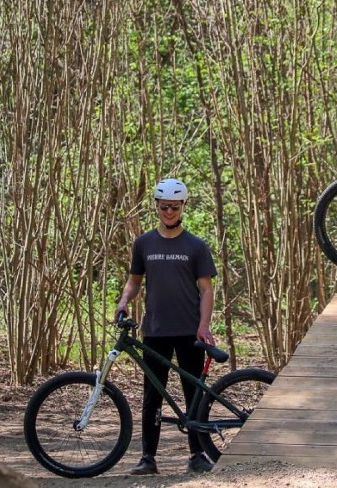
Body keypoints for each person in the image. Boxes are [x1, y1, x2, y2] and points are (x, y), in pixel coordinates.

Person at [115, 178, 217, 475]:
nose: (169, 212)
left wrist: (204, 324)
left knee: (193, 393)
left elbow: (206, 289)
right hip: (155, 330)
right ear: (156, 207)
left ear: (183, 206)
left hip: (189, 331)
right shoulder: (144, 243)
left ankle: (198, 454)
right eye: (164, 207)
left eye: (174, 206)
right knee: (152, 395)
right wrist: (123, 302)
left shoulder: (196, 246)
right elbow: (134, 282)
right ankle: (148, 458)